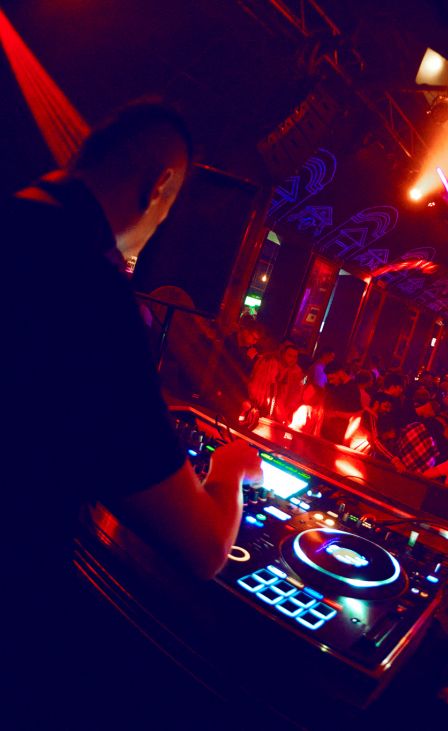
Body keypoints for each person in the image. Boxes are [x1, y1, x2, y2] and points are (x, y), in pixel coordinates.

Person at [5, 103, 263, 722]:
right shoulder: (90, 291)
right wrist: (230, 466)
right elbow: (204, 548)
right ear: (159, 188)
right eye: (167, 213)